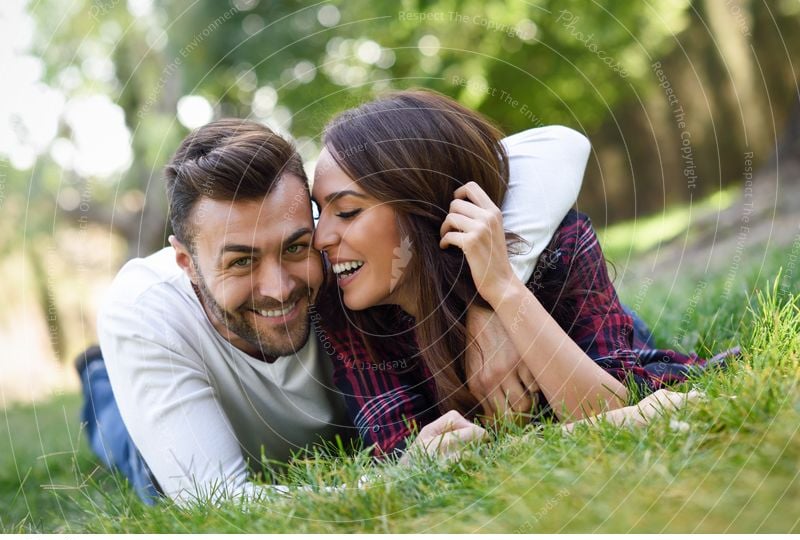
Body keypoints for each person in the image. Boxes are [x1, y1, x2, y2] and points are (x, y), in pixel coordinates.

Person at [77, 115, 593, 505]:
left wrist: (479, 305)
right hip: (168, 404)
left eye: (296, 247)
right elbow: (218, 505)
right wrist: (398, 475)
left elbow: (558, 147)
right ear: (187, 262)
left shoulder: (338, 254)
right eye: (241, 262)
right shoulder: (146, 313)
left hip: (345, 420)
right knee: (128, 446)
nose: (278, 287)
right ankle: (97, 378)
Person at [311, 90, 732, 458]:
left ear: (424, 206)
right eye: (320, 212)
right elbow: (407, 457)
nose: (321, 238)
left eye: (347, 211)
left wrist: (501, 291)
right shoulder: (344, 310)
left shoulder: (560, 248)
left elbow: (609, 405)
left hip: (603, 340)